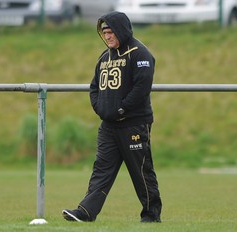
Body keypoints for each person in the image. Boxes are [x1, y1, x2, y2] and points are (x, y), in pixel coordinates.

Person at [62, 11, 162, 223]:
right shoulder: (104, 57)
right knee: (101, 169)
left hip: (134, 124)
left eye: (111, 32)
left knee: (141, 171)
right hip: (108, 126)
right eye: (104, 32)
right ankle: (86, 212)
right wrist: (101, 109)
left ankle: (151, 215)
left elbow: (142, 87)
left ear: (122, 31)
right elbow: (94, 87)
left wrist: (122, 109)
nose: (107, 36)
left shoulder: (140, 53)